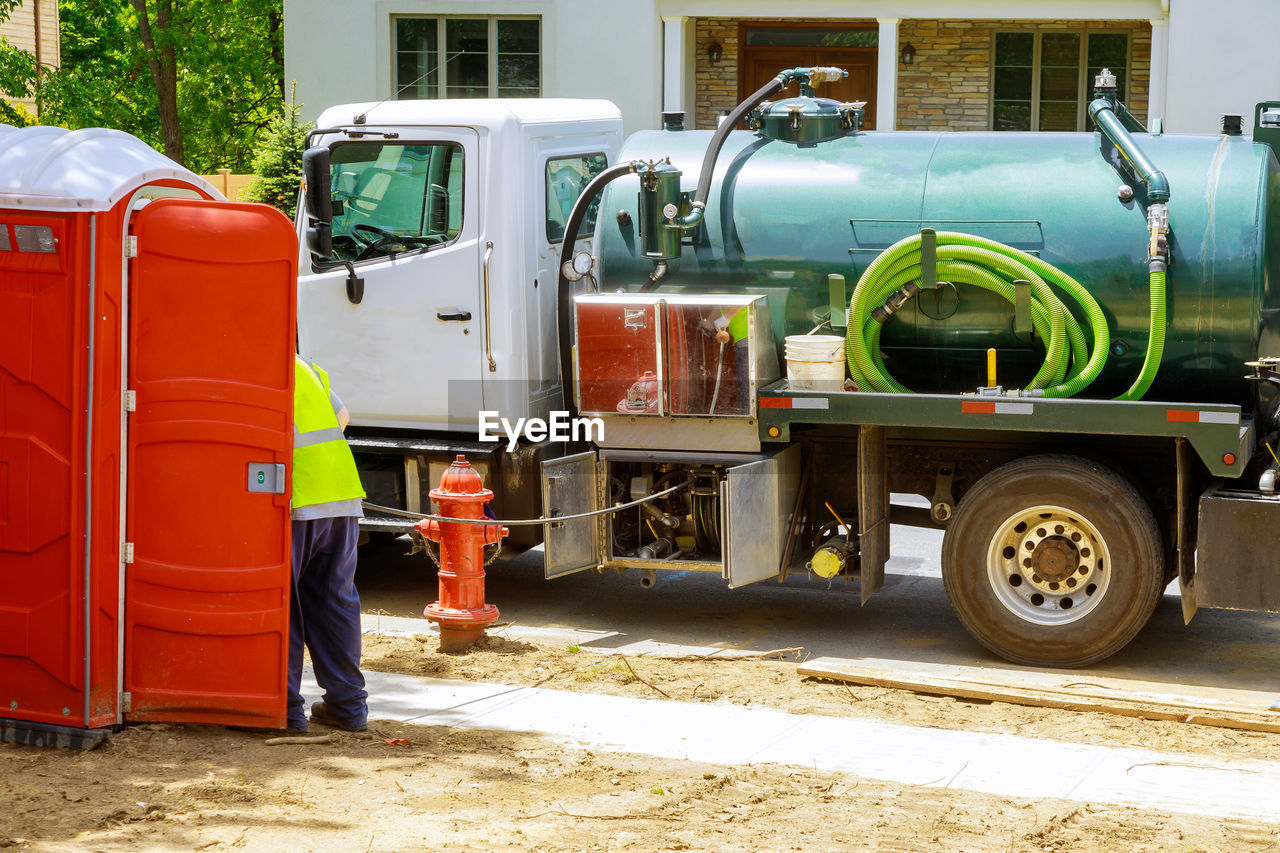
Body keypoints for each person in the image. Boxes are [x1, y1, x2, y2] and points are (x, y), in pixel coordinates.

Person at [289, 354, 369, 732]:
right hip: (340, 489)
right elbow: (342, 416)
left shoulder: (250, 362)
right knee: (334, 600)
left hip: (295, 496)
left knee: (281, 604)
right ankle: (348, 707)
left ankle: (285, 710)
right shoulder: (302, 364)